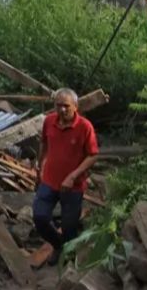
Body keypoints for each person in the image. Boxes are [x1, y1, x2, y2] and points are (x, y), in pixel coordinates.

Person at [35, 88, 99, 265]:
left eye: (66, 106)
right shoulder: (49, 121)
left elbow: (93, 155)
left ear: (75, 106)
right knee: (40, 217)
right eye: (58, 106)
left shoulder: (85, 127)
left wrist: (73, 176)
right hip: (49, 181)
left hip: (74, 186)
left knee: (69, 226)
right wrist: (40, 165)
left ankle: (69, 259)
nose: (62, 110)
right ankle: (58, 245)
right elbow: (44, 144)